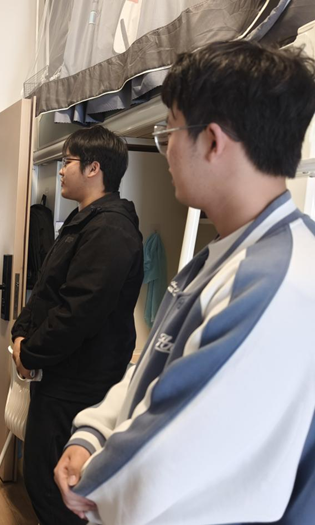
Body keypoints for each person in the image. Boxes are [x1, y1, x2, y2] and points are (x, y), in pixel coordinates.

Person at [54, 41, 315, 525]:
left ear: (212, 142)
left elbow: (174, 450)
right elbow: (157, 367)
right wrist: (93, 432)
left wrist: (93, 482)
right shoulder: (225, 253)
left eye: (169, 129)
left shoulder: (277, 281)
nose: (167, 149)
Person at [11, 126, 144, 524]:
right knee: (42, 473)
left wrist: (30, 352)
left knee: (58, 483)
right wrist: (21, 332)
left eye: (66, 161)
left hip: (80, 380)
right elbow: (47, 288)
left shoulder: (111, 229)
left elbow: (78, 311)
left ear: (93, 168)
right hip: (60, 373)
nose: (61, 169)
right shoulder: (82, 220)